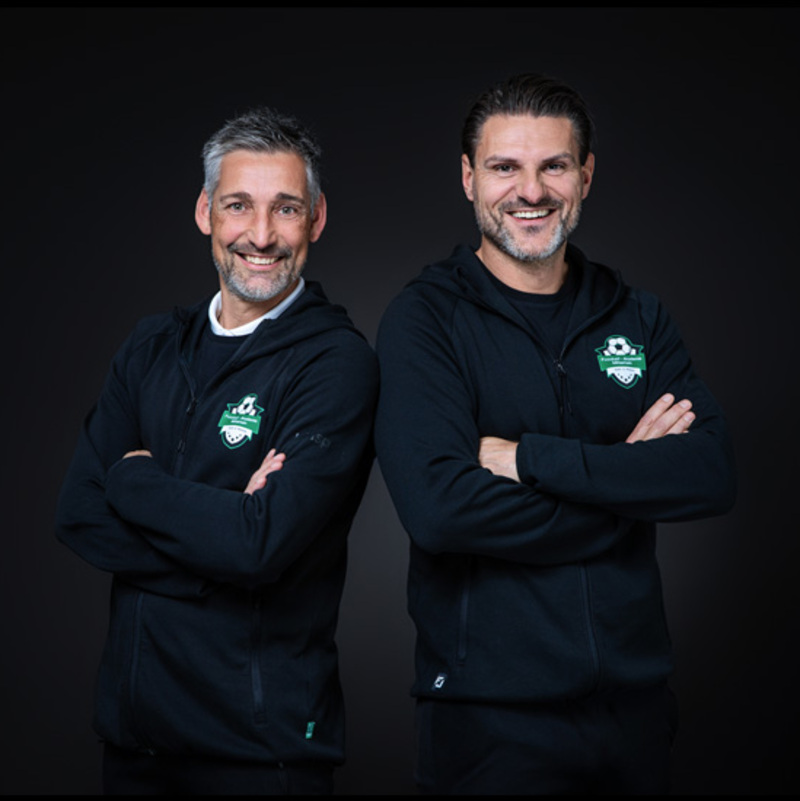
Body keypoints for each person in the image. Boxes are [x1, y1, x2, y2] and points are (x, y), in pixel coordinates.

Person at [374, 73, 737, 795]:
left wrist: (532, 458)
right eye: (505, 167)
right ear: (469, 178)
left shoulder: (636, 315)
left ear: (586, 175)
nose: (531, 191)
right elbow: (441, 510)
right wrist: (627, 482)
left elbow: (711, 472)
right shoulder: (425, 320)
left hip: (635, 710)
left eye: (555, 166)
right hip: (489, 719)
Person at [55, 106, 379, 795]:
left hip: (261, 756)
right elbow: (78, 513)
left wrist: (133, 484)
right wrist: (225, 541)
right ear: (206, 212)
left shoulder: (335, 364)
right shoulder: (151, 347)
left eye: (285, 208)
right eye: (238, 205)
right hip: (135, 746)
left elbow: (259, 546)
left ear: (317, 218)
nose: (260, 235)